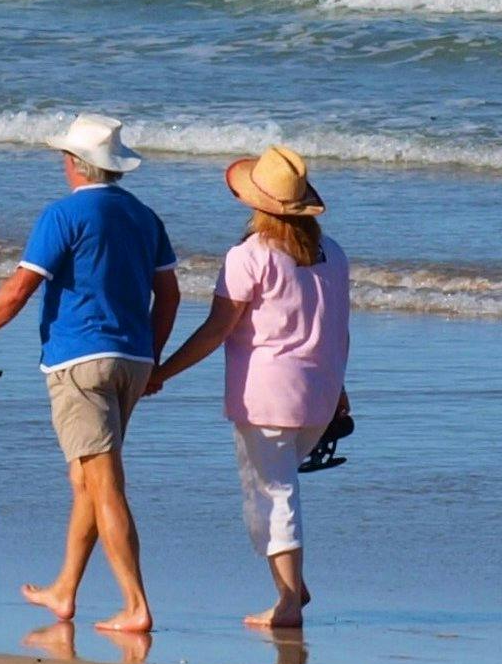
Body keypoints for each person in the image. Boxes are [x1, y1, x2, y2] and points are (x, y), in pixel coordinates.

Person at [0, 111, 179, 635]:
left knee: (104, 481)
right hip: (132, 360)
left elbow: (19, 289)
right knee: (86, 479)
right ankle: (66, 588)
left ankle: (136, 604)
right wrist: (153, 356)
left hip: (79, 361)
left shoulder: (62, 215)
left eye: (65, 156)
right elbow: (171, 294)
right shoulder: (143, 216)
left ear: (76, 163)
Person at [147, 143, 350, 631]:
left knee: (274, 493)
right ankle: (290, 584)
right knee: (270, 489)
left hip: (268, 396)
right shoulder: (333, 254)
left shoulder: (250, 255)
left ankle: (288, 601)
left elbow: (217, 329)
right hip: (320, 394)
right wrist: (341, 390)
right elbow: (339, 328)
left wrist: (162, 372)